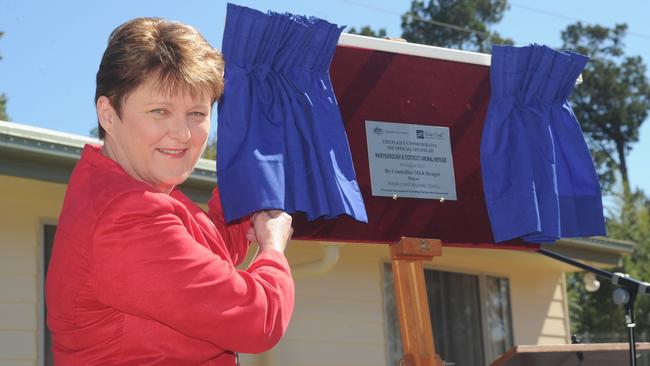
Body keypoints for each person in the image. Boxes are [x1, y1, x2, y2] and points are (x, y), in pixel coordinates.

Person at [45, 17, 295, 365]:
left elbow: (206, 251)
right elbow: (259, 318)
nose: (182, 133)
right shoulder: (126, 215)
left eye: (197, 113)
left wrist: (249, 203)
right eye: (160, 111)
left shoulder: (131, 192)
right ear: (108, 114)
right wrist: (272, 247)